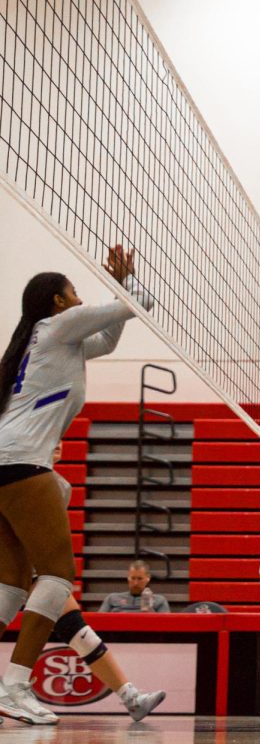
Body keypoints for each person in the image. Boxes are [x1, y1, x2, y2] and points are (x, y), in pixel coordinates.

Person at [0, 247, 154, 725]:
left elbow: (107, 340)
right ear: (58, 301)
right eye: (74, 292)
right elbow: (135, 305)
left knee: (9, 585)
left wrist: (126, 292)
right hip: (22, 461)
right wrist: (126, 282)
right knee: (58, 574)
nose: (80, 298)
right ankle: (16, 686)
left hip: (8, 461)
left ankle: (14, 687)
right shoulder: (57, 326)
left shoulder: (49, 339)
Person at [0, 443, 165, 722]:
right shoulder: (18, 475)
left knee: (76, 628)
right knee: (72, 624)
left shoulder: (58, 485)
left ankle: (130, 696)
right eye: (50, 439)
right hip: (20, 566)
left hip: (35, 567)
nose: (57, 443)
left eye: (59, 439)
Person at [99, 560, 171, 613]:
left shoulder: (159, 601)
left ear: (148, 578)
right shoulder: (111, 598)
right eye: (132, 578)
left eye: (140, 579)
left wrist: (150, 610)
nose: (135, 583)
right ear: (128, 577)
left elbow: (167, 626)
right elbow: (96, 623)